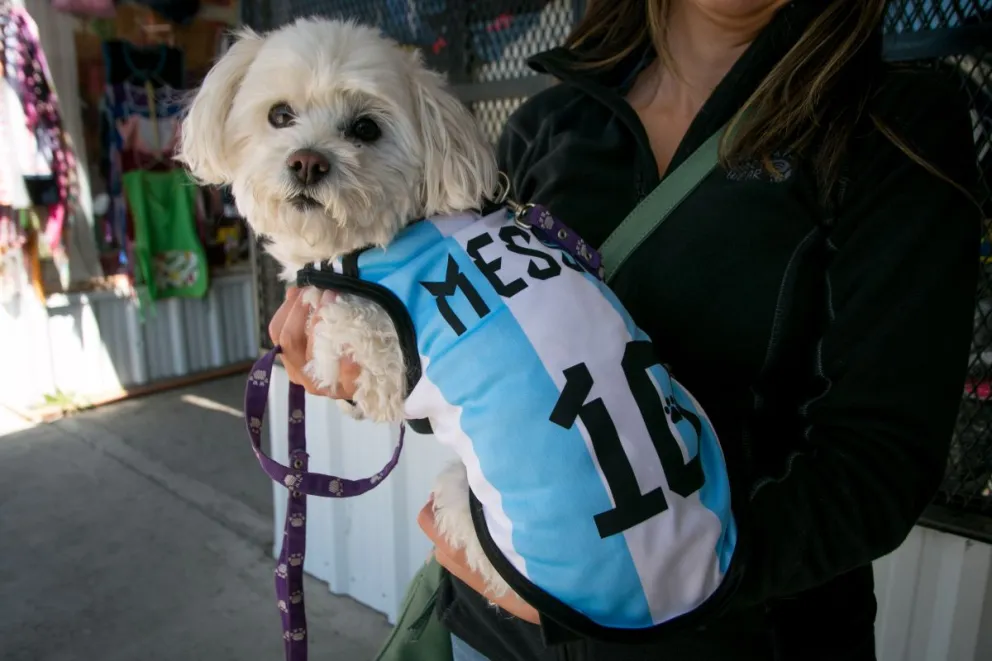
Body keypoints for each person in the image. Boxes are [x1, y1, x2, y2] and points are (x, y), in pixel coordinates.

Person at [268, 0, 982, 658]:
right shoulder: (549, 124)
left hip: (738, 639)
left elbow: (878, 466)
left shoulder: (895, 126)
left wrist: (645, 587)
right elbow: (484, 378)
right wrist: (377, 369)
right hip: (494, 626)